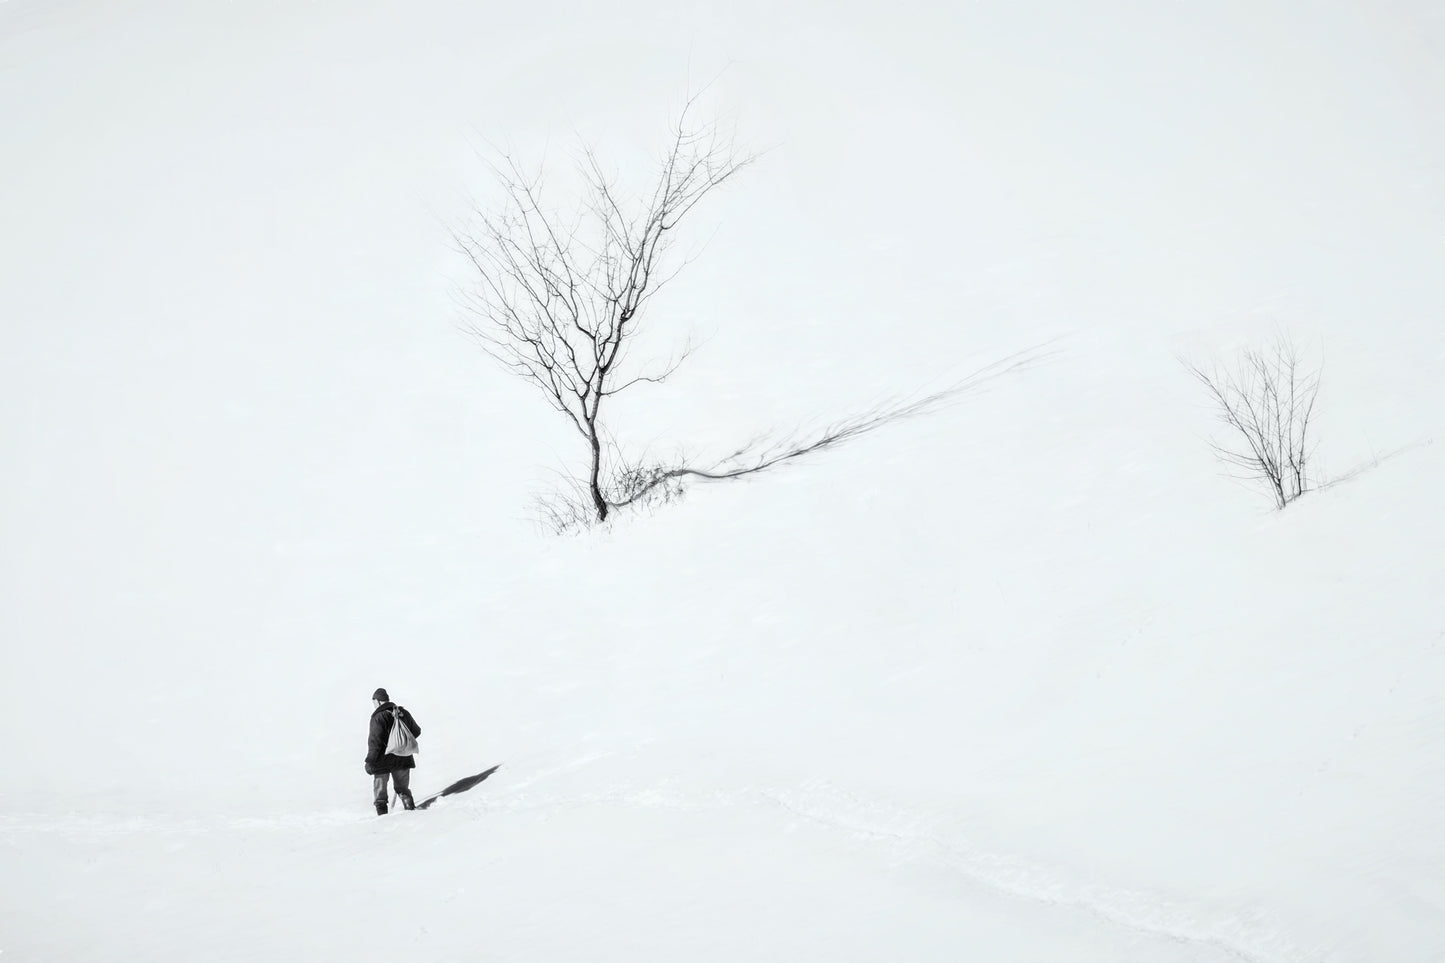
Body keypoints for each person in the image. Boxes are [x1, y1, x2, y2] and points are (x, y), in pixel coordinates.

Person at [365, 687, 421, 814]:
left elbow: (375, 742)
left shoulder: (378, 717)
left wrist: (370, 761)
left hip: (382, 761)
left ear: (377, 701)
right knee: (403, 790)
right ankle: (412, 814)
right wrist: (401, 742)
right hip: (403, 757)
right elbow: (416, 731)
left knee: (380, 796)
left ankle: (382, 819)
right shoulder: (402, 712)